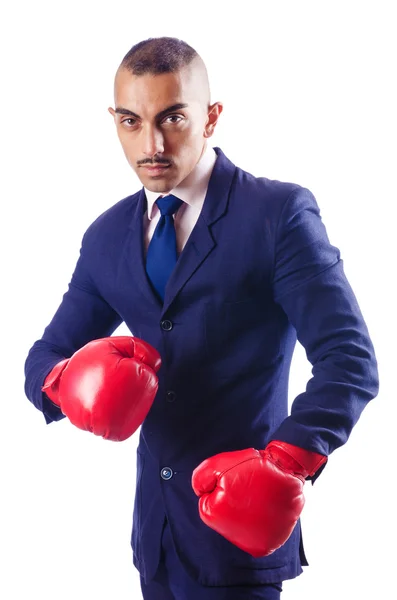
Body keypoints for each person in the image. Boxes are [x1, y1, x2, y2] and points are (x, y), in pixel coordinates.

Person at [24, 36, 379, 600]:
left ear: (211, 117)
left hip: (240, 538)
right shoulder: (107, 235)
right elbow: (44, 356)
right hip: (155, 541)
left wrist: (285, 461)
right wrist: (67, 384)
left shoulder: (277, 215)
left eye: (173, 118)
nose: (153, 143)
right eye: (131, 121)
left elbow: (350, 362)